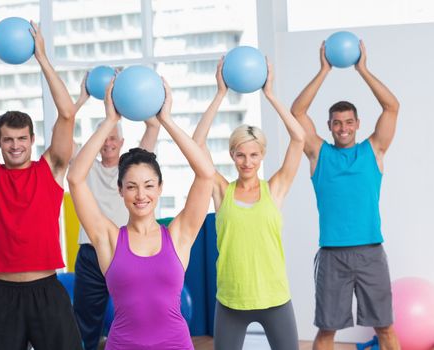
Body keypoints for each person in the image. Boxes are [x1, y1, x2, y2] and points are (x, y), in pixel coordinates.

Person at [0, 23, 82, 350]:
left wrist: (41, 57)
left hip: (46, 291)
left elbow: (67, 115)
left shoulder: (51, 168)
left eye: (22, 139)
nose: (16, 146)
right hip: (2, 294)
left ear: (32, 140)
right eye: (8, 140)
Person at [67, 78, 214, 349]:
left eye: (148, 186)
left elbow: (206, 174)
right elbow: (75, 177)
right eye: (131, 187)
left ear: (160, 189)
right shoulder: (108, 238)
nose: (141, 195)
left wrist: (166, 120)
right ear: (120, 191)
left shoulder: (179, 235)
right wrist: (110, 121)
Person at [290, 41, 400, 350]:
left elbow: (392, 107)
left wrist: (362, 69)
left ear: (357, 124)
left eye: (349, 122)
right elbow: (297, 111)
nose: (343, 128)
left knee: (386, 328)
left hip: (371, 254)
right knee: (327, 331)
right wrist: (324, 70)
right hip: (332, 256)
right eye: (337, 123)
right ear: (329, 126)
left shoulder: (373, 150)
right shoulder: (317, 154)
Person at [193, 58, 305, 349]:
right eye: (241, 155)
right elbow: (198, 142)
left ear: (262, 156)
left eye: (254, 155)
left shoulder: (275, 189)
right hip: (231, 299)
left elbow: (298, 138)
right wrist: (220, 94)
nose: (247, 162)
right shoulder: (220, 190)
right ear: (232, 155)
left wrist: (270, 94)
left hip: (274, 297)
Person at [71, 75, 160, 350]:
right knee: (85, 323)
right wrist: (83, 98)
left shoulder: (131, 170)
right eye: (103, 139)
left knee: (140, 318)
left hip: (126, 249)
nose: (108, 143)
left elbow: (154, 125)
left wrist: (125, 89)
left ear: (121, 143)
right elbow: (61, 130)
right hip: (90, 254)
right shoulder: (86, 169)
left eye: (113, 138)